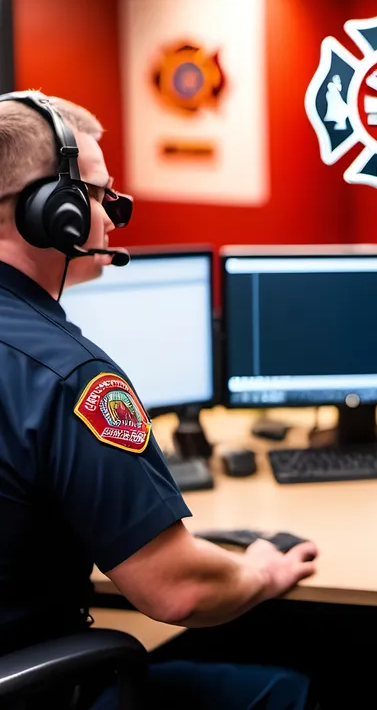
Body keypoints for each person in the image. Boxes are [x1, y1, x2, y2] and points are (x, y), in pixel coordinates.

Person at [0, 91, 318, 710]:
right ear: (53, 212)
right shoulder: (69, 377)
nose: (112, 218)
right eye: (97, 196)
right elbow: (178, 592)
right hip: (35, 694)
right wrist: (260, 569)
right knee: (288, 690)